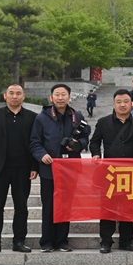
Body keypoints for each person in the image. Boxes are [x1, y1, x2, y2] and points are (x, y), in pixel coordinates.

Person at [0, 84, 39, 255]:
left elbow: (35, 144)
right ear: (5, 96)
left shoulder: (32, 117)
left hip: (23, 169)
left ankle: (19, 241)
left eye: (18, 93)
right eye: (11, 93)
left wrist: (35, 166)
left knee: (21, 207)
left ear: (23, 97)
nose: (15, 96)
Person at [30, 83, 89, 253]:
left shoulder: (77, 116)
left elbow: (85, 136)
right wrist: (42, 155)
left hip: (70, 169)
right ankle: (47, 241)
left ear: (69, 97)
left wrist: (79, 145)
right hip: (49, 168)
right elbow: (34, 142)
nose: (61, 97)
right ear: (51, 98)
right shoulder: (42, 118)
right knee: (48, 205)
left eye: (64, 94)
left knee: (66, 205)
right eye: (57, 94)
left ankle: (62, 240)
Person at [89, 89, 133, 253]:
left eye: (126, 101)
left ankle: (126, 241)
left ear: (132, 104)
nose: (122, 105)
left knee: (128, 208)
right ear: (114, 104)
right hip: (109, 173)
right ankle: (106, 241)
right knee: (107, 207)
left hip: (130, 173)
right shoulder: (103, 122)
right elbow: (94, 142)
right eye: (119, 102)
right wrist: (96, 154)